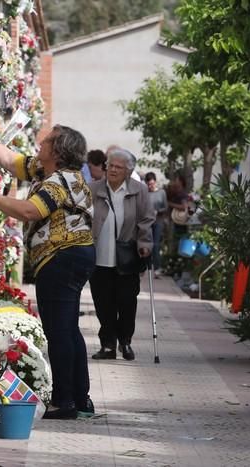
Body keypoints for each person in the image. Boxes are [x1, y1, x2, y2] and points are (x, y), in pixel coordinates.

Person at [0, 125, 95, 420]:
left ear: (58, 150)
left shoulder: (57, 182)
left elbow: (30, 211)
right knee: (68, 330)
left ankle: (64, 401)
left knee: (59, 330)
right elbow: (12, 160)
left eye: (47, 140)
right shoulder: (49, 171)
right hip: (74, 257)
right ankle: (80, 398)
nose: (40, 142)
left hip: (61, 259)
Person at [88, 147, 153, 361]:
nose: (113, 170)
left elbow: (146, 219)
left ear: (128, 171)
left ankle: (125, 342)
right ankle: (108, 345)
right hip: (99, 256)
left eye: (118, 167)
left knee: (126, 302)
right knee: (103, 303)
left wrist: (144, 243)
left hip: (127, 257)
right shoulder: (93, 188)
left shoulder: (138, 190)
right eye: (110, 166)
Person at [144, 172, 167, 278]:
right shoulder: (145, 193)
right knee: (147, 245)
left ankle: (157, 268)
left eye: (152, 184)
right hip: (148, 222)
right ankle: (146, 267)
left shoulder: (162, 192)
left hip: (158, 221)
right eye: (149, 184)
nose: (151, 186)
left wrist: (158, 211)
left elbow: (165, 207)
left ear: (155, 182)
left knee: (156, 245)